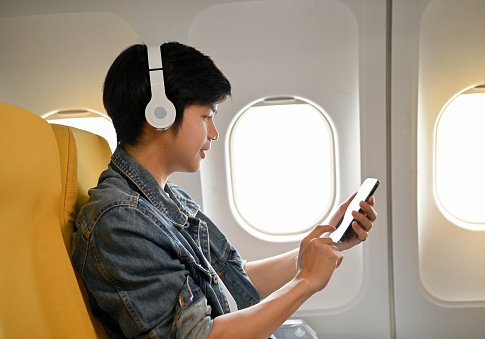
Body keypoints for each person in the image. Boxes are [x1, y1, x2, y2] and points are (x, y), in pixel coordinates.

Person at [72, 41, 377, 339]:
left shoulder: (170, 198)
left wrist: (325, 244)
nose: (215, 133)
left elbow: (233, 281)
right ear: (159, 114)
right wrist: (306, 281)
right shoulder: (120, 224)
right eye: (206, 116)